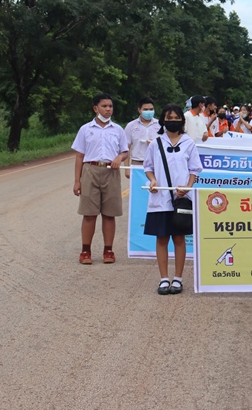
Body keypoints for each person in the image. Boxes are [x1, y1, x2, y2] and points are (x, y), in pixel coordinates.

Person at [143, 103, 202, 295]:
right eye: (169, 118)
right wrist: (152, 180)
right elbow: (148, 167)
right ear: (163, 120)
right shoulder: (155, 143)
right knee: (161, 238)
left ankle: (178, 278)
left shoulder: (188, 143)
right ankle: (163, 279)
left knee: (179, 237)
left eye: (177, 118)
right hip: (160, 198)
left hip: (181, 199)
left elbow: (194, 169)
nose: (173, 121)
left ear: (182, 121)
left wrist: (188, 187)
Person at [72, 93, 129, 265]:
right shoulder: (85, 129)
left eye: (110, 106)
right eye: (104, 106)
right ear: (95, 108)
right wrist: (77, 181)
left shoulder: (118, 129)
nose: (108, 109)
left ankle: (108, 250)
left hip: (111, 171)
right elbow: (79, 156)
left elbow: (125, 151)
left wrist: (119, 158)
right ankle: (85, 251)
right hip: (90, 170)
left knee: (109, 213)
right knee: (89, 213)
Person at [124, 97, 160, 179]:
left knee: (156, 186)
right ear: (139, 110)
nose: (149, 112)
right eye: (146, 109)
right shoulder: (131, 126)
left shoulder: (160, 125)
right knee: (137, 186)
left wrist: (155, 144)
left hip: (156, 162)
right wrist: (127, 168)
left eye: (151, 109)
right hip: (137, 163)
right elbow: (126, 148)